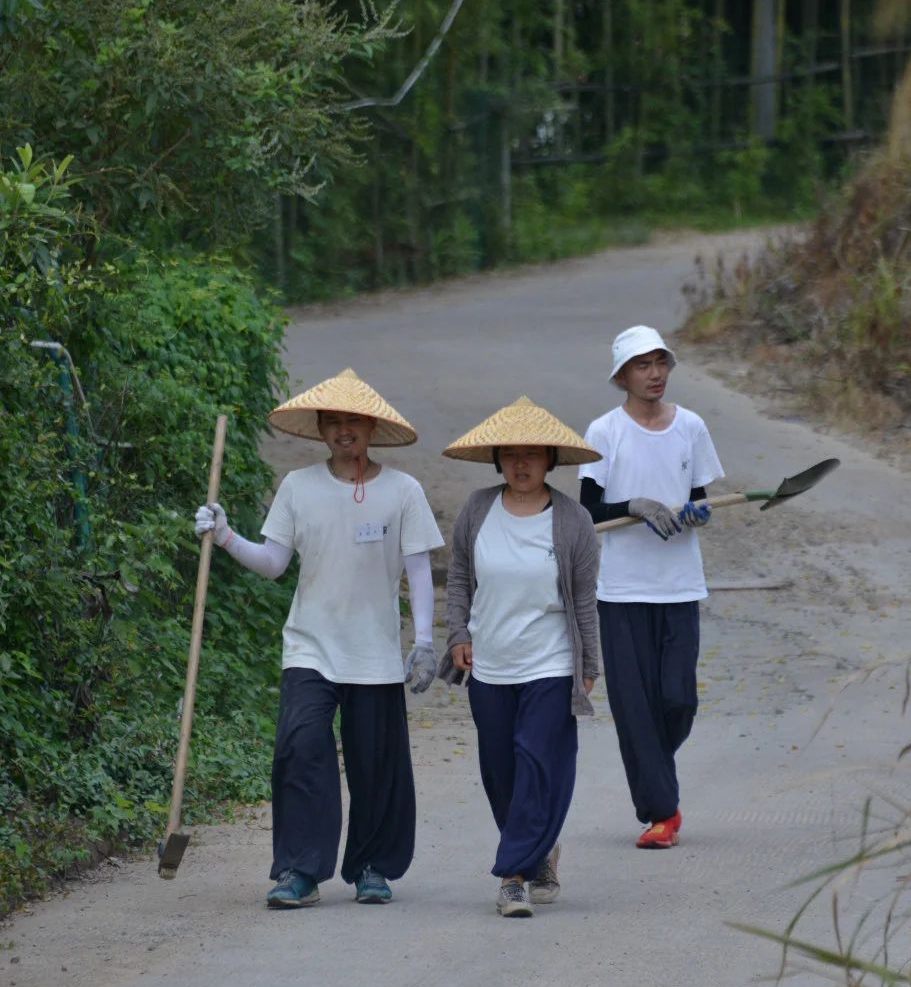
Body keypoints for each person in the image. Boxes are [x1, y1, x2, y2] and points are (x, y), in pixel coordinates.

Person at [194, 368, 444, 907]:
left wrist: (423, 641)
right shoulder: (298, 486)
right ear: (321, 429)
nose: (343, 430)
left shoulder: (403, 491)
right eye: (332, 421)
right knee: (300, 747)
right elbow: (273, 563)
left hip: (374, 652)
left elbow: (419, 568)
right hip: (309, 646)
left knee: (376, 763)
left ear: (371, 427)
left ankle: (372, 867)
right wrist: (226, 535)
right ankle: (299, 870)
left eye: (353, 420)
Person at [439, 396, 601, 917]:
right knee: (500, 770)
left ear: (550, 459)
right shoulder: (477, 509)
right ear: (497, 460)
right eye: (510, 454)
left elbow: (584, 598)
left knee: (538, 761)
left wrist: (589, 665)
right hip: (490, 662)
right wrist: (457, 633)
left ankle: (512, 876)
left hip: (550, 662)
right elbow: (459, 577)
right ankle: (540, 851)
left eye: (532, 454)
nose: (521, 463)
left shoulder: (574, 520)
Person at [578, 327, 724, 849]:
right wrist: (635, 506)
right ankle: (662, 813)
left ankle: (654, 770)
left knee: (678, 700)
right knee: (634, 707)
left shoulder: (691, 426)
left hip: (679, 586)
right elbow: (589, 512)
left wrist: (699, 513)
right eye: (643, 365)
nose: (655, 374)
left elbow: (698, 496)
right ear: (622, 376)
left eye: (661, 362)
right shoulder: (604, 431)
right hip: (621, 591)